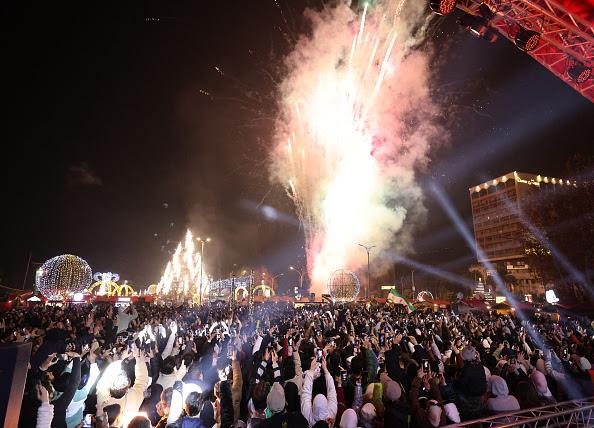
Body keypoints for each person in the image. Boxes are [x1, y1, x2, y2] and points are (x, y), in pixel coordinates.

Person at [301, 356, 337, 428]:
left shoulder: (307, 415)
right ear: (327, 403)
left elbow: (306, 393)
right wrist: (325, 370)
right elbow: (332, 392)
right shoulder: (331, 415)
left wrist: (311, 370)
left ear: (312, 405)